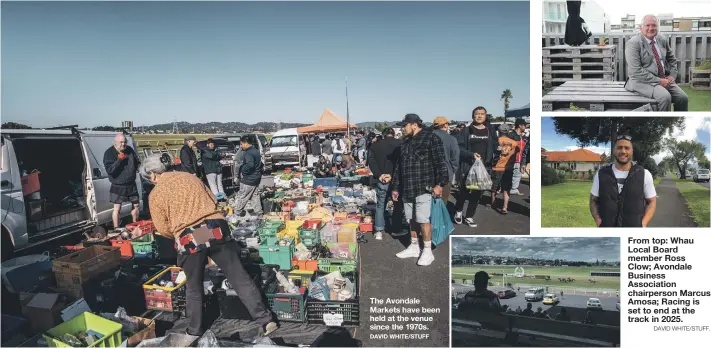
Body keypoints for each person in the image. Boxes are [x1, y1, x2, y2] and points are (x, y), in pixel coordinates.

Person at [139, 155, 278, 337]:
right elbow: (213, 200)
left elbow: (162, 228)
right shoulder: (190, 177)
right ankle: (266, 320)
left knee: (194, 285)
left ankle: (194, 330)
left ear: (153, 174)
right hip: (216, 225)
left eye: (149, 178)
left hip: (191, 234)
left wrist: (177, 235)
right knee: (238, 276)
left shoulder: (156, 194)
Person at [391, 114, 448, 266]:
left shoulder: (431, 138)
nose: (402, 129)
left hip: (424, 187)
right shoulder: (405, 142)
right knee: (411, 219)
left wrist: (440, 184)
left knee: (423, 220)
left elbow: (441, 163)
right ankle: (414, 246)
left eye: (404, 126)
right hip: (407, 188)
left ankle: (427, 251)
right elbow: (399, 167)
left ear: (414, 125)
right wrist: (395, 187)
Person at [590, 132, 657, 227]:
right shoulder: (601, 174)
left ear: (632, 151)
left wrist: (643, 223)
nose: (623, 151)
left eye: (627, 148)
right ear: (614, 150)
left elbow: (652, 201)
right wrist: (598, 220)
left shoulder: (644, 174)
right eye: (619, 147)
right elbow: (593, 200)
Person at [624, 15, 688, 111]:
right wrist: (659, 81)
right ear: (641, 27)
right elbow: (635, 70)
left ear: (657, 27)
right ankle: (664, 122)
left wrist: (672, 75)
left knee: (683, 98)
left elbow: (672, 59)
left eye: (654, 25)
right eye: (647, 25)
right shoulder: (633, 43)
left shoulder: (661, 39)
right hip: (641, 81)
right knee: (665, 97)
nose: (651, 28)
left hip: (663, 78)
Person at [454, 107, 497, 227]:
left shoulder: (490, 131)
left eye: (482, 114)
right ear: (473, 116)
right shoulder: (467, 131)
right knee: (464, 191)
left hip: (483, 167)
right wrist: (471, 154)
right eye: (477, 114)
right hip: (468, 166)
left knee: (478, 193)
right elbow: (459, 148)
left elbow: (495, 146)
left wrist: (497, 153)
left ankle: (469, 216)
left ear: (485, 116)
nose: (479, 116)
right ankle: (458, 212)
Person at [368, 127, 402, 240]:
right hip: (396, 179)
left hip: (382, 178)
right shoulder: (400, 143)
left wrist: (379, 174)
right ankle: (396, 229)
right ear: (393, 134)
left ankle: (378, 231)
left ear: (383, 135)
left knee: (380, 204)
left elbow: (371, 162)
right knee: (397, 204)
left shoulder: (375, 146)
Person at [103, 133, 141, 229]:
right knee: (117, 208)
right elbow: (110, 170)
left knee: (136, 205)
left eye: (125, 142)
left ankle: (135, 225)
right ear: (115, 143)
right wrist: (119, 160)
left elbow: (137, 162)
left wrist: (137, 168)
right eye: (121, 142)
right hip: (118, 185)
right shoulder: (109, 153)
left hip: (131, 183)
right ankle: (116, 228)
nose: (123, 144)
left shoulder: (129, 150)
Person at [491, 124, 519, 214]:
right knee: (506, 188)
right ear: (508, 132)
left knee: (494, 187)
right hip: (508, 167)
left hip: (496, 167)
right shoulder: (514, 143)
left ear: (498, 132)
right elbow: (517, 152)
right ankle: (505, 207)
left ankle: (493, 203)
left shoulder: (495, 141)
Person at [431, 117, 460, 204]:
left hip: (429, 174)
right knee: (442, 203)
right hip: (446, 174)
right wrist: (451, 171)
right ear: (445, 125)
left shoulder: (427, 137)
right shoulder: (451, 139)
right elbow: (455, 157)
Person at [233, 137, 264, 215]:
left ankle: (237, 213)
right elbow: (260, 164)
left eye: (241, 144)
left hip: (249, 179)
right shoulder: (256, 151)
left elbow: (250, 165)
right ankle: (259, 213)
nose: (241, 146)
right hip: (256, 178)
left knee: (242, 196)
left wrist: (243, 171)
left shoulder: (248, 152)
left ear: (246, 143)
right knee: (255, 196)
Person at [508, 119, 528, 196]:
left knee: (518, 174)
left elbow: (524, 150)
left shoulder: (523, 137)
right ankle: (503, 188)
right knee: (508, 175)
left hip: (519, 160)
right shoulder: (511, 135)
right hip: (511, 159)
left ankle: (514, 189)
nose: (525, 127)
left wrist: (523, 162)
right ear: (520, 125)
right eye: (524, 125)